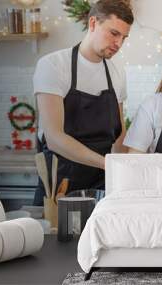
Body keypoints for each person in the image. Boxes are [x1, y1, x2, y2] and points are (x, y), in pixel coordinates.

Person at [32, 0, 134, 205]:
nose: (119, 44)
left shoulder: (116, 73)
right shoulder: (53, 65)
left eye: (124, 37)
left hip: (102, 185)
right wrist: (107, 163)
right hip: (61, 185)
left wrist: (125, 166)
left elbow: (119, 132)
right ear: (93, 23)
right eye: (114, 34)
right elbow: (54, 137)